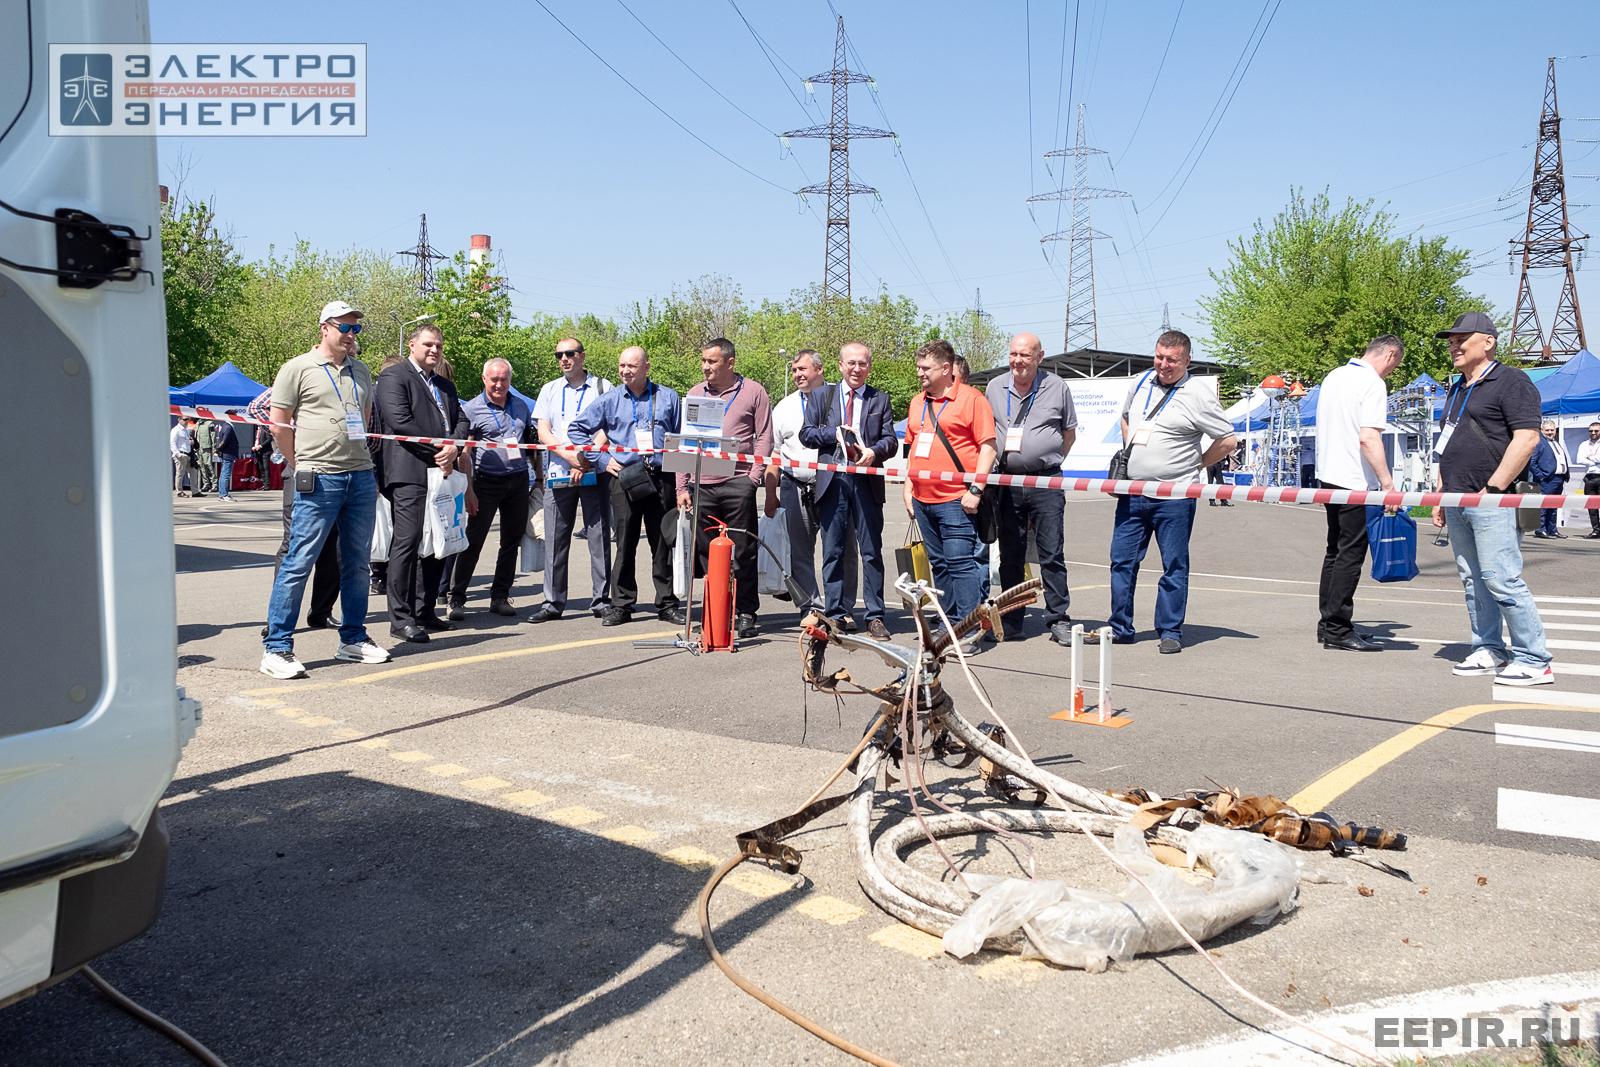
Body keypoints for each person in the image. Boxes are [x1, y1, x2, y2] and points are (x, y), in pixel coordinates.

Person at [259, 300, 391, 678]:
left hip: (360, 475)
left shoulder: (361, 371)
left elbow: (364, 421)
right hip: (319, 476)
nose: (351, 335)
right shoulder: (297, 368)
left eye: (356, 329)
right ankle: (277, 646)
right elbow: (278, 423)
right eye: (345, 328)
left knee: (356, 563)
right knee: (299, 561)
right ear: (324, 328)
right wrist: (299, 464)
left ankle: (353, 638)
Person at [1430, 312, 1552, 686]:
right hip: (1457, 498)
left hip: (1493, 500)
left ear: (1488, 341)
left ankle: (1534, 658)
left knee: (1501, 578)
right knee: (1473, 580)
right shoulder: (1457, 388)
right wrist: (1439, 494)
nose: (1453, 345)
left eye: (1461, 338)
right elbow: (1445, 444)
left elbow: (1527, 439)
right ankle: (1489, 648)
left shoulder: (1512, 381)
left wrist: (1495, 489)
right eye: (1450, 340)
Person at [1104, 330, 1236, 654]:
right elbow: (1125, 419)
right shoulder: (1140, 383)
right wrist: (1130, 451)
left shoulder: (1198, 394)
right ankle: (1120, 628)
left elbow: (1228, 440)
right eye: (1160, 357)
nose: (1163, 365)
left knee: (1174, 565)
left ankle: (1170, 630)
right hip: (1133, 493)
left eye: (1171, 360)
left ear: (1187, 361)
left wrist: (1197, 466)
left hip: (1175, 497)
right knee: (1121, 561)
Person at [372, 323, 472, 644]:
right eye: (428, 344)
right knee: (408, 542)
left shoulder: (444, 384)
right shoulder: (395, 376)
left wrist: (453, 447)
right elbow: (400, 422)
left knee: (437, 543)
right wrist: (440, 450)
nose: (434, 350)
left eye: (439, 346)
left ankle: (425, 610)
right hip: (408, 471)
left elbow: (462, 420)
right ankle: (400, 619)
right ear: (412, 345)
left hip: (441, 472)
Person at [569, 346, 684, 625]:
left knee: (662, 542)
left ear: (647, 366)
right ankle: (622, 604)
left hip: (661, 476)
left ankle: (667, 604)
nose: (625, 371)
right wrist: (602, 460)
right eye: (622, 366)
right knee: (625, 541)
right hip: (625, 476)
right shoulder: (609, 400)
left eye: (631, 366)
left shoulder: (668, 397)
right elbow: (576, 430)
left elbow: (681, 439)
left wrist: (683, 486)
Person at [675, 338, 774, 639]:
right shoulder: (695, 394)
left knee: (743, 551)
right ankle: (717, 608)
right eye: (703, 361)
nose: (705, 367)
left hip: (737, 483)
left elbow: (764, 438)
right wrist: (682, 485)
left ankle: (745, 612)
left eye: (712, 361)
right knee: (705, 552)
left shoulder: (753, 392)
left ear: (730, 363)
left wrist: (752, 480)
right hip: (702, 483)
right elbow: (686, 441)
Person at [902, 339, 996, 654]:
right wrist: (908, 486)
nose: (920, 373)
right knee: (939, 565)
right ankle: (949, 622)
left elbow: (988, 447)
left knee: (960, 564)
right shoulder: (917, 402)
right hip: (923, 499)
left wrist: (976, 489)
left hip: (957, 500)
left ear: (946, 368)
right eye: (918, 367)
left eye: (925, 368)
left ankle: (968, 630)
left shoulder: (972, 399)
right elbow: (913, 447)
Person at [986, 332, 1079, 645]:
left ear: (1040, 357)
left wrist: (1044, 461)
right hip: (1007, 481)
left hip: (1045, 482)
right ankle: (1012, 620)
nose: (1018, 361)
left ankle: (1058, 619)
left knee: (1052, 553)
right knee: (1010, 555)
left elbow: (1069, 434)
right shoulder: (995, 387)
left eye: (1025, 355)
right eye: (1013, 354)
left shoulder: (1057, 387)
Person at [1313, 334, 1404, 652]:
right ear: (1391, 354)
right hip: (1354, 479)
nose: (1391, 372)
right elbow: (1368, 438)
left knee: (1334, 551)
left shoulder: (1335, 376)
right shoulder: (1373, 383)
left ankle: (1328, 625)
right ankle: (1338, 627)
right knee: (1351, 554)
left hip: (1329, 475)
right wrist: (1388, 483)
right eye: (1396, 365)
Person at [802, 342, 898, 640]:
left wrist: (873, 451)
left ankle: (875, 615)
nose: (857, 369)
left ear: (870, 366)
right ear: (841, 365)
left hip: (866, 482)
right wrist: (834, 434)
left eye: (863, 364)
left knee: (871, 552)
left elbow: (891, 441)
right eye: (851, 363)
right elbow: (807, 434)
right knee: (833, 551)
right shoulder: (821, 396)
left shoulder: (879, 399)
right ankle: (836, 614)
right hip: (833, 480)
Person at [527, 339, 613, 623]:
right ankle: (553, 602)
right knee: (554, 538)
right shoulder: (549, 390)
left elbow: (606, 429)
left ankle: (601, 600)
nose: (564, 359)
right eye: (559, 355)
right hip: (559, 471)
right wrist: (570, 456)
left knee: (598, 537)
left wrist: (584, 459)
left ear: (582, 356)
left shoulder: (603, 387)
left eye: (569, 354)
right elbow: (543, 431)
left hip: (593, 470)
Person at [764, 350, 851, 616]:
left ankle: (841, 609)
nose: (798, 375)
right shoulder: (784, 406)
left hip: (834, 485)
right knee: (799, 552)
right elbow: (776, 452)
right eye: (794, 370)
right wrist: (770, 493)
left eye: (803, 369)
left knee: (839, 550)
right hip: (795, 485)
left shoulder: (841, 398)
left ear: (820, 370)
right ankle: (810, 608)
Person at [448, 358, 536, 619]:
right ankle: (457, 598)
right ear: (484, 379)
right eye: (494, 379)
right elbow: (465, 454)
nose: (499, 384)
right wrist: (469, 490)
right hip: (485, 482)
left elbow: (531, 446)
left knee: (510, 541)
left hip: (518, 481)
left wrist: (539, 480)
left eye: (504, 379)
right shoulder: (472, 409)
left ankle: (500, 596)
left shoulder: (520, 406)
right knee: (473, 541)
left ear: (510, 380)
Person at [1534, 421, 1573, 539]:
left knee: (1554, 505)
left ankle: (1552, 529)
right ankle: (1540, 529)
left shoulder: (1556, 443)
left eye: (1552, 430)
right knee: (1544, 505)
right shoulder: (1539, 443)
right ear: (1542, 430)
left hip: (1559, 478)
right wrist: (1540, 475)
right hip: (1547, 479)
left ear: (1555, 430)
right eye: (1547, 430)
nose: (1550, 432)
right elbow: (1532, 462)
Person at [1577, 421, 1600, 540]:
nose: (1593, 433)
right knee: (1592, 506)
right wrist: (1594, 460)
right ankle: (1596, 530)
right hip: (1590, 477)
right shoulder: (1584, 444)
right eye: (1591, 431)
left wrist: (1589, 457)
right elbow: (1579, 459)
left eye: (1596, 430)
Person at [215, 414, 240, 501]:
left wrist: (218, 450)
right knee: (225, 475)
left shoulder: (224, 426)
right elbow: (224, 441)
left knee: (223, 474)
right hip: (228, 453)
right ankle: (224, 494)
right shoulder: (228, 427)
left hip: (226, 453)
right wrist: (218, 449)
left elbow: (221, 440)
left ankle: (222, 494)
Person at [170, 418, 195, 497]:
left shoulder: (186, 430)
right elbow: (172, 442)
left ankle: (195, 491)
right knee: (180, 473)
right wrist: (177, 454)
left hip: (188, 454)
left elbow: (186, 442)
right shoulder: (176, 430)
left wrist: (191, 442)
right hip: (181, 454)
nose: (187, 421)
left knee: (194, 472)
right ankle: (179, 491)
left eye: (188, 419)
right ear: (179, 420)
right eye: (185, 419)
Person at [194, 416, 217, 495]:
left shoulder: (210, 423)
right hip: (198, 448)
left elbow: (213, 437)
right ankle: (206, 484)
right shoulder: (197, 424)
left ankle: (214, 484)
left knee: (209, 465)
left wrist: (214, 448)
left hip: (207, 448)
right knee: (202, 466)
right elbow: (195, 436)